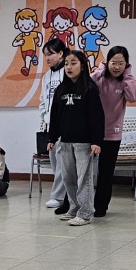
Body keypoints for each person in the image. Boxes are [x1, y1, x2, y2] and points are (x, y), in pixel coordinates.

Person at [48, 50, 104, 226]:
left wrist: (96, 141)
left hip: (84, 143)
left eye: (73, 63)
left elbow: (97, 117)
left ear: (83, 66)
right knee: (68, 178)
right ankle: (74, 208)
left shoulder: (90, 89)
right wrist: (52, 138)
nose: (69, 67)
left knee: (84, 179)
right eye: (66, 64)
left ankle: (85, 213)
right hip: (65, 141)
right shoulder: (61, 89)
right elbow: (54, 116)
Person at [90, 46, 136, 217]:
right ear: (107, 62)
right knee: (83, 171)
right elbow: (87, 85)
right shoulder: (99, 78)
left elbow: (134, 97)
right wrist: (100, 70)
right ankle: (77, 203)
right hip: (91, 132)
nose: (117, 67)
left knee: (106, 173)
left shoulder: (125, 81)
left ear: (126, 65)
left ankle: (101, 207)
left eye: (121, 63)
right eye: (113, 62)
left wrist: (128, 75)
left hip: (112, 133)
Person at [36, 38, 72, 213]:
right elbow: (43, 100)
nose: (47, 58)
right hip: (50, 126)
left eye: (50, 54)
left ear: (61, 53)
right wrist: (44, 116)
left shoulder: (68, 72)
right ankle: (63, 195)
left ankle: (57, 197)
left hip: (65, 125)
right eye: (45, 55)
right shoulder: (46, 77)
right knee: (55, 162)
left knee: (63, 161)